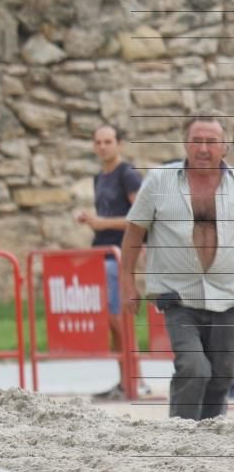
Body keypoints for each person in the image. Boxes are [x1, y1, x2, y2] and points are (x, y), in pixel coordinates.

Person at [121, 112, 234, 421]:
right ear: (185, 143)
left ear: (224, 146)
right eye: (196, 141)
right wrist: (128, 282)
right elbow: (134, 232)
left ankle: (210, 431)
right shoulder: (159, 180)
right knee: (194, 368)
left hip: (228, 296)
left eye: (211, 142)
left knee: (224, 372)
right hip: (177, 297)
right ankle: (179, 432)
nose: (203, 149)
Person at [74, 124, 149, 401]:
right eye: (98, 142)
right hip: (101, 251)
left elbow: (139, 215)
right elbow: (105, 216)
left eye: (107, 141)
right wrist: (91, 221)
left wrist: (103, 222)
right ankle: (124, 379)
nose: (102, 146)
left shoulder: (127, 174)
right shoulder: (99, 178)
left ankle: (137, 379)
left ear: (119, 143)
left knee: (121, 319)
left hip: (120, 253)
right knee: (111, 320)